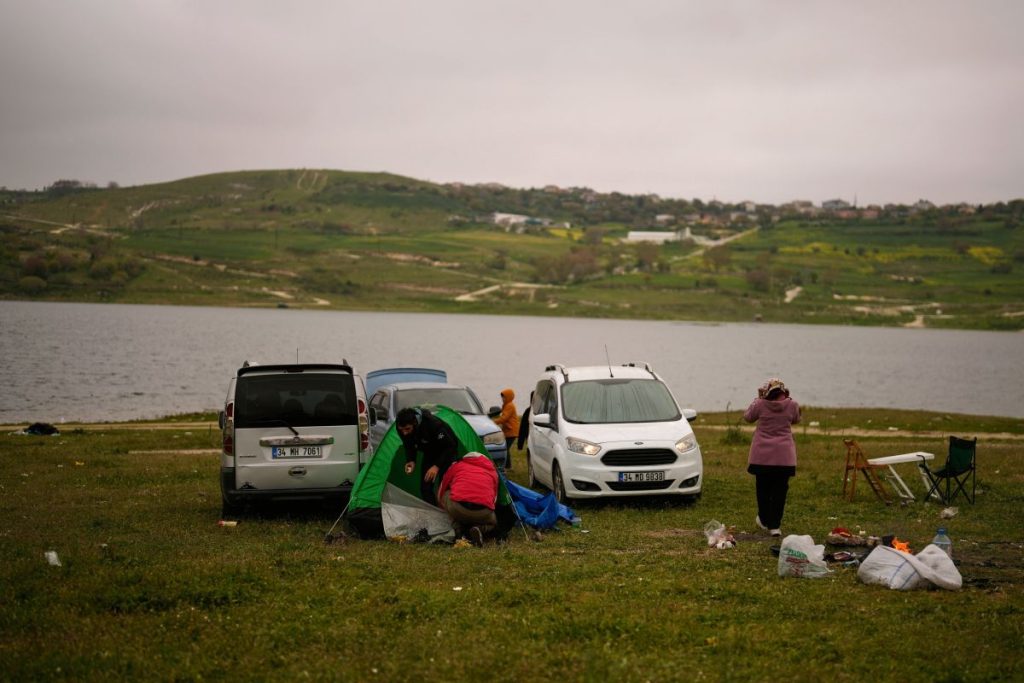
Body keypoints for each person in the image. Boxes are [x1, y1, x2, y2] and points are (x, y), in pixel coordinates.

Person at [744, 378, 801, 537]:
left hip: (761, 455)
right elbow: (796, 419)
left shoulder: (761, 404)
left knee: (762, 488)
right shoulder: (792, 405)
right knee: (780, 491)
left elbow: (748, 417)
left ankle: (763, 519)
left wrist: (758, 398)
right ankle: (775, 526)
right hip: (785, 457)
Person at [396, 407, 459, 506]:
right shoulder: (400, 427)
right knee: (425, 488)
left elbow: (450, 446)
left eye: (407, 429)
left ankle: (449, 514)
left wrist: (436, 466)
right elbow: (408, 444)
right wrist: (411, 460)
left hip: (447, 451)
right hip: (430, 452)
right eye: (402, 430)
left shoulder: (433, 424)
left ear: (415, 423)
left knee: (444, 487)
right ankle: (434, 513)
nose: (404, 432)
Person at [437, 451, 499, 547]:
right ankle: (479, 528)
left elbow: (442, 487)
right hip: (483, 512)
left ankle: (458, 529)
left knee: (447, 494)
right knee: (493, 523)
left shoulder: (456, 466)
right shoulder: (492, 471)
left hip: (458, 508)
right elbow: (494, 500)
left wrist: (441, 507)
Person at [491, 388, 520, 470]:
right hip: (508, 430)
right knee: (506, 448)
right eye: (502, 397)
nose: (502, 399)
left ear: (509, 397)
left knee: (506, 448)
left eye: (504, 397)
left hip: (512, 431)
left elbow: (504, 418)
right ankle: (508, 466)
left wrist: (493, 422)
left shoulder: (509, 406)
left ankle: (507, 467)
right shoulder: (506, 405)